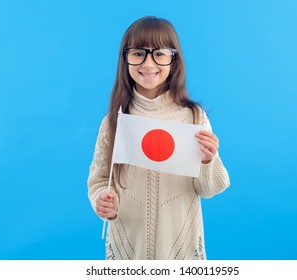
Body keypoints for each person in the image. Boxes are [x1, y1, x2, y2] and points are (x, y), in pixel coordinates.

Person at [87, 16, 230, 260]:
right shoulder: (114, 121)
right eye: (138, 53)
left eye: (160, 53)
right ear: (125, 59)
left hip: (181, 247)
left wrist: (208, 160)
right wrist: (102, 200)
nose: (148, 63)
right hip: (128, 247)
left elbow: (208, 189)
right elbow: (100, 179)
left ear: (174, 60)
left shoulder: (194, 117)